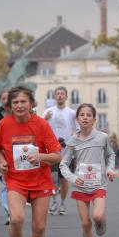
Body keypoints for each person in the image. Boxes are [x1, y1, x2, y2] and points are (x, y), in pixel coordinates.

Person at [0, 85, 61, 237]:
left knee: (39, 227)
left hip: (41, 180)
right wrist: (2, 161)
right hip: (16, 180)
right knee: (16, 218)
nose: (20, 105)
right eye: (15, 102)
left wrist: (40, 156)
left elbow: (57, 156)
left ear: (31, 104)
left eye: (24, 102)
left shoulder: (41, 124)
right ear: (9, 105)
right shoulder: (4, 124)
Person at [59, 103, 115, 237]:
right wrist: (73, 178)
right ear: (77, 119)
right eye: (81, 115)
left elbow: (110, 154)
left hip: (98, 184)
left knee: (97, 216)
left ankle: (100, 221)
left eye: (88, 115)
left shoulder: (102, 138)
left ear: (94, 119)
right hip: (80, 186)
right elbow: (63, 164)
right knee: (85, 224)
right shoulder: (72, 141)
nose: (85, 117)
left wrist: (110, 169)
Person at [42, 87, 77, 215]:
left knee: (63, 179)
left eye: (62, 94)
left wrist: (73, 136)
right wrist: (45, 119)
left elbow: (78, 130)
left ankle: (62, 203)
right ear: (54, 96)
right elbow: (39, 126)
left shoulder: (72, 113)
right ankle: (54, 201)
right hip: (51, 150)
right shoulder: (48, 111)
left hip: (67, 150)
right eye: (58, 94)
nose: (60, 96)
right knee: (52, 177)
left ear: (66, 96)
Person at [0, 89, 11, 225]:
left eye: (8, 98)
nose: (6, 100)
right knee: (4, 183)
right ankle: (9, 213)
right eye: (3, 98)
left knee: (16, 184)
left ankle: (17, 209)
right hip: (2, 152)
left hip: (18, 152)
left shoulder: (18, 112)